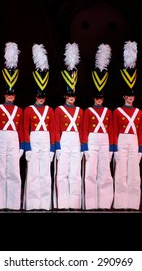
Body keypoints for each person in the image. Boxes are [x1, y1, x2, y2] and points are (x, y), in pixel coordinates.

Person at [0, 42, 24, 210]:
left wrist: (24, 145)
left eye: (12, 94)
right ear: (4, 94)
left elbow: (23, 129)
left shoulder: (19, 110)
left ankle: (13, 204)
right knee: (0, 170)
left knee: (14, 171)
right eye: (8, 94)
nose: (10, 96)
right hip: (1, 137)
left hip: (14, 138)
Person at [22, 44, 55, 211]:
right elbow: (24, 129)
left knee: (45, 174)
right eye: (39, 96)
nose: (41, 99)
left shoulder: (50, 110)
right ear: (35, 96)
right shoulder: (29, 109)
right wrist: (26, 146)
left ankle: (44, 204)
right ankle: (33, 204)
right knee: (34, 173)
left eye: (43, 96)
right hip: (34, 140)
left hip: (46, 140)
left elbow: (54, 129)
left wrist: (53, 148)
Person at [112, 41, 142, 210]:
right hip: (122, 140)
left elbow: (141, 130)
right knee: (121, 172)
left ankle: (132, 203)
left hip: (135, 140)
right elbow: (115, 129)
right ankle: (121, 204)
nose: (130, 98)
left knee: (134, 174)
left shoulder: (139, 112)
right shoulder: (117, 111)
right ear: (124, 96)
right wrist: (114, 147)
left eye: (132, 96)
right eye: (128, 96)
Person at [82, 44, 113, 210]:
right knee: (91, 172)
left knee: (105, 172)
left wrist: (112, 147)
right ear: (93, 98)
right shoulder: (88, 111)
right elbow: (85, 129)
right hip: (92, 139)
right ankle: (91, 204)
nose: (99, 100)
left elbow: (112, 129)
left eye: (101, 98)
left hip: (105, 140)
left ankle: (105, 203)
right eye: (97, 98)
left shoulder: (108, 111)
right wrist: (84, 146)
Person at [53, 42, 83, 210]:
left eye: (73, 95)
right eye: (69, 95)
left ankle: (75, 203)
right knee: (63, 173)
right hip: (64, 140)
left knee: (75, 173)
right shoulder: (59, 110)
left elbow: (83, 129)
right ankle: (62, 203)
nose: (71, 98)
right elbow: (56, 128)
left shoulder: (80, 110)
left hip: (76, 140)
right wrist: (57, 146)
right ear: (65, 96)